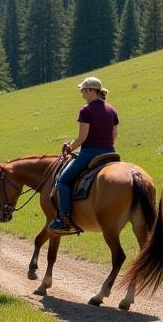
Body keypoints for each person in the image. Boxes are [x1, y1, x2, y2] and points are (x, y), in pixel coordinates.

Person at [49, 76, 119, 233]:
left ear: (90, 91)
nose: (81, 94)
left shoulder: (86, 110)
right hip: (111, 153)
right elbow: (114, 135)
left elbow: (82, 137)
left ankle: (64, 218)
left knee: (62, 181)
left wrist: (70, 147)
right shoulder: (112, 109)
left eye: (83, 90)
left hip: (89, 154)